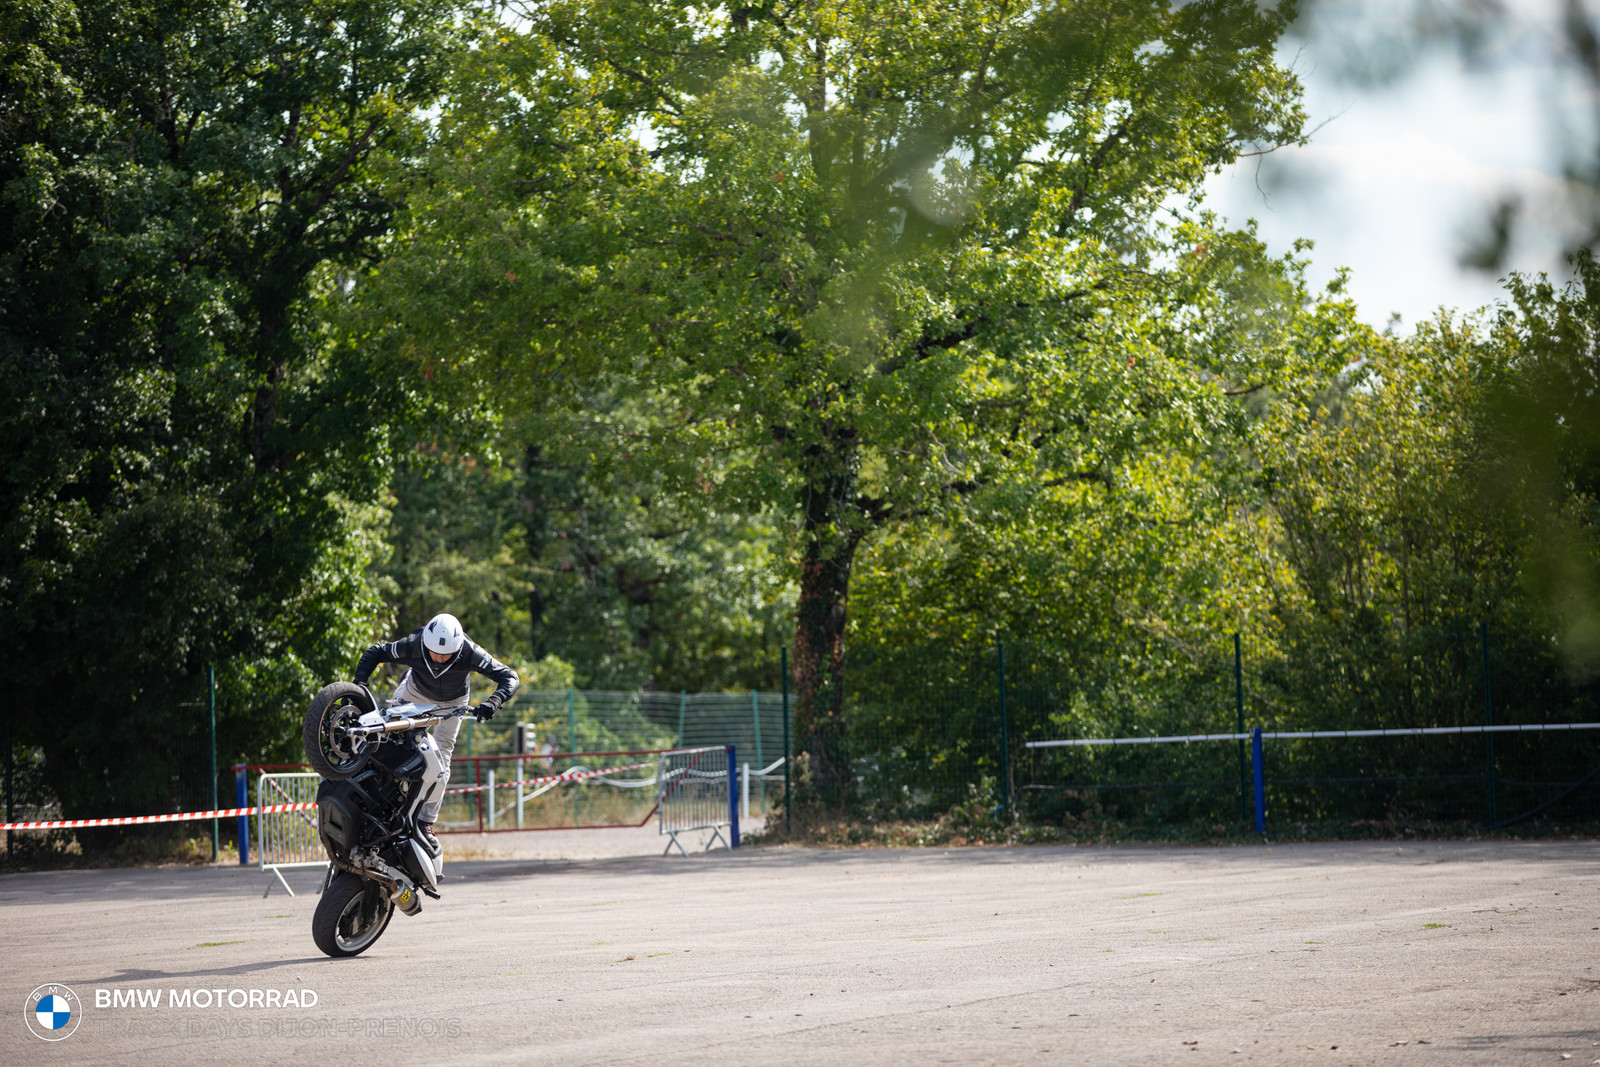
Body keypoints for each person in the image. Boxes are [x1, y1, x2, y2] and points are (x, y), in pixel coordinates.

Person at [353, 612, 519, 851]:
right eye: (434, 653)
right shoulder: (413, 644)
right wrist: (359, 685)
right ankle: (373, 794)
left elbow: (509, 677)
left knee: (441, 759)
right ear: (425, 644)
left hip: (454, 702)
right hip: (413, 692)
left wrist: (493, 702)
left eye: (446, 655)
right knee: (386, 737)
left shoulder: (471, 652)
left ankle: (426, 822)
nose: (439, 659)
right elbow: (376, 651)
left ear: (459, 648)